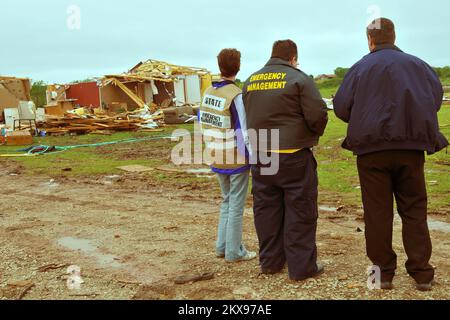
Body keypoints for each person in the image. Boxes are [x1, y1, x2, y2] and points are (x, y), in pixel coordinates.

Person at [333, 18, 449, 291]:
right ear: (394, 37)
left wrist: (363, 116)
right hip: (410, 149)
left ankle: (381, 276)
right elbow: (434, 99)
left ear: (370, 40)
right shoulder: (418, 66)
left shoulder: (360, 68)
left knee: (376, 214)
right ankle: (422, 274)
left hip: (371, 152)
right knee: (414, 210)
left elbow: (340, 106)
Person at [242, 40, 329, 281]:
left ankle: (270, 262)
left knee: (266, 211)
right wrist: (312, 134)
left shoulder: (251, 80)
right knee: (300, 210)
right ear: (293, 57)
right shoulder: (299, 78)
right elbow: (317, 114)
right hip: (293, 156)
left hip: (261, 156)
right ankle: (301, 267)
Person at [199, 48, 257, 263]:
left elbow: (203, 121)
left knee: (226, 201)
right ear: (238, 66)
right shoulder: (236, 95)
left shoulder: (208, 93)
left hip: (215, 154)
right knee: (236, 206)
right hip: (235, 158)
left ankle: (221, 247)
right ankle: (234, 252)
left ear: (219, 65)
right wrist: (251, 158)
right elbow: (243, 128)